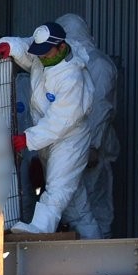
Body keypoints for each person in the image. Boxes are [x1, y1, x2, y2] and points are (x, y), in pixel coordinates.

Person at [0, 22, 101, 238]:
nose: (41, 57)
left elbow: (61, 120)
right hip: (49, 140)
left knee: (57, 188)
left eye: (45, 53)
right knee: (78, 207)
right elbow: (27, 48)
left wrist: (28, 138)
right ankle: (96, 248)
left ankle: (41, 228)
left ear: (60, 46)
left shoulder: (72, 77)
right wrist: (9, 46)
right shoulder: (45, 54)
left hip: (70, 139)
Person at [57, 13, 119, 238]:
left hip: (93, 150)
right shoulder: (76, 62)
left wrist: (92, 145)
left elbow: (100, 108)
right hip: (75, 148)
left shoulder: (98, 65)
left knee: (95, 206)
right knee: (78, 208)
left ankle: (100, 257)